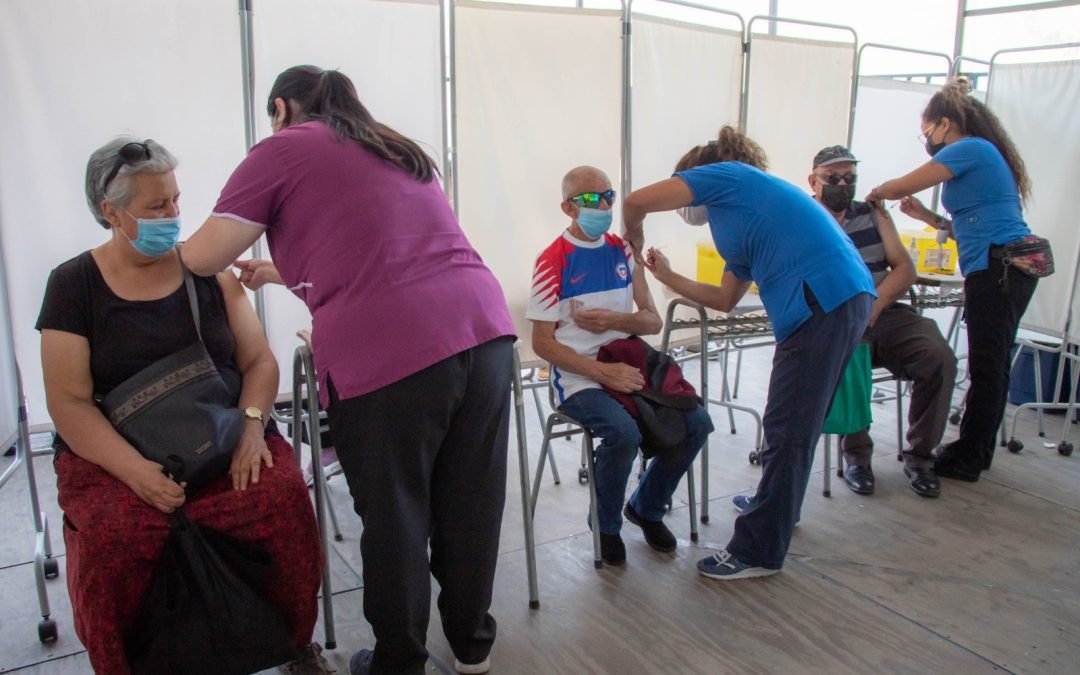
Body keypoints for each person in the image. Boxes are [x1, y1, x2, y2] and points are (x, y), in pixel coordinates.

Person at [180, 66, 516, 675]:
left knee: (396, 514)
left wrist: (138, 262)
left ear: (280, 107)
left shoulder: (283, 147)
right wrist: (276, 270)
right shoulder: (394, 146)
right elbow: (379, 251)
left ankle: (398, 663)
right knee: (471, 502)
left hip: (392, 353)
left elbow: (202, 255)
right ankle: (472, 648)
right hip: (484, 331)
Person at [37, 137, 328, 674]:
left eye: (175, 200)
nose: (173, 215)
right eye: (156, 206)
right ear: (111, 212)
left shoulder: (206, 269)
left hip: (218, 434)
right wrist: (136, 473)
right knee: (115, 539)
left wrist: (250, 429)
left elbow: (260, 363)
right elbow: (70, 404)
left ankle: (290, 644)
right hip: (117, 450)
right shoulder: (72, 285)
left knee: (281, 499)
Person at [623, 125, 875, 580]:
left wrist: (633, 238)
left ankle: (758, 549)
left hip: (822, 300)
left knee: (787, 427)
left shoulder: (728, 176)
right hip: (843, 295)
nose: (682, 208)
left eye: (684, 195)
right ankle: (774, 508)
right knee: (797, 423)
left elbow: (635, 202)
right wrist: (668, 277)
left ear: (695, 178)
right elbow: (724, 299)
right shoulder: (737, 219)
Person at [527, 166, 713, 566]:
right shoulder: (552, 262)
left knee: (697, 422)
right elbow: (542, 343)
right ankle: (606, 525)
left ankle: (646, 507)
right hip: (580, 378)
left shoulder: (623, 251)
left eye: (608, 196)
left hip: (628, 362)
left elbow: (651, 320)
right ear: (568, 208)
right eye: (591, 199)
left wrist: (615, 322)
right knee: (623, 435)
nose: (604, 205)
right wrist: (601, 373)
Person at [866, 77, 1037, 483]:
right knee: (990, 363)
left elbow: (905, 183)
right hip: (1001, 264)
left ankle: (969, 457)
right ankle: (976, 450)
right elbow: (970, 225)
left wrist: (876, 194)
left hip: (1001, 268)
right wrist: (928, 219)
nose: (927, 139)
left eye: (927, 131)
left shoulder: (971, 148)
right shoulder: (983, 155)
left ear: (945, 123)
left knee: (988, 366)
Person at [809, 145, 956, 498]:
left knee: (939, 358)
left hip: (884, 311)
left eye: (850, 177)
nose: (843, 183)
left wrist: (875, 306)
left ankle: (920, 457)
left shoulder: (873, 214)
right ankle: (857, 456)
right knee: (848, 354)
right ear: (813, 181)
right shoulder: (805, 218)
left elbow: (905, 269)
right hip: (838, 317)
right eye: (833, 177)